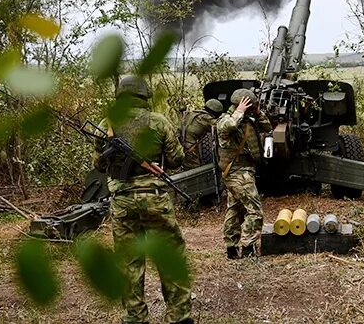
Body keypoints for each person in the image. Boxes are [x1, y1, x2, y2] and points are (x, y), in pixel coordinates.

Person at [94, 75, 194, 324]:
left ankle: (135, 317)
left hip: (122, 202)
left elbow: (98, 164)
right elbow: (176, 159)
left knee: (128, 262)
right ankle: (179, 316)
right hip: (154, 199)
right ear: (144, 96)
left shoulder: (107, 124)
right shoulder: (158, 122)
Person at [216, 88, 272, 259]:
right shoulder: (226, 119)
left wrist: (257, 111)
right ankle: (248, 247)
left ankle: (231, 249)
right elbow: (228, 127)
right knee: (255, 211)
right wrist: (239, 112)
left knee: (235, 210)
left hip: (243, 171)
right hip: (236, 173)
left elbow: (267, 127)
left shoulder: (248, 120)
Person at [179, 99, 224, 169]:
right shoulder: (205, 118)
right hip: (189, 147)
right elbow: (222, 126)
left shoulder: (194, 113)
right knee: (194, 170)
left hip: (181, 145)